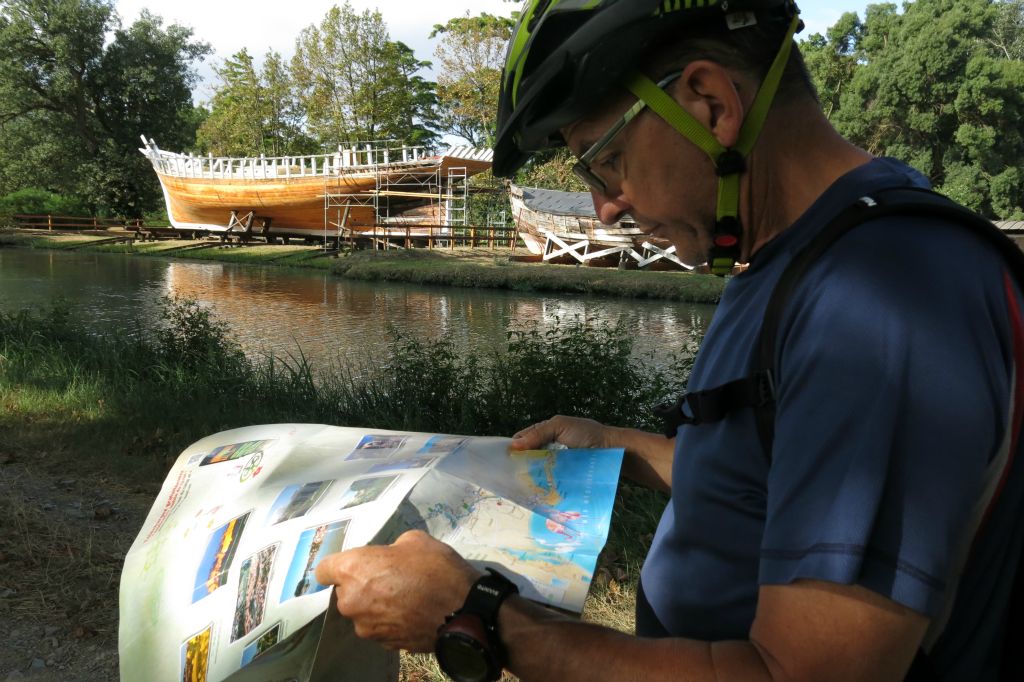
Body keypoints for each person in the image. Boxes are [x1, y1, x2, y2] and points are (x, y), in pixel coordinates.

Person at [315, 1, 1024, 679]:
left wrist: (476, 616)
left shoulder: (880, 301)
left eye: (605, 162)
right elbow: (774, 479)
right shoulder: (791, 256)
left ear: (709, 102)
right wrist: (622, 448)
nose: (604, 207)